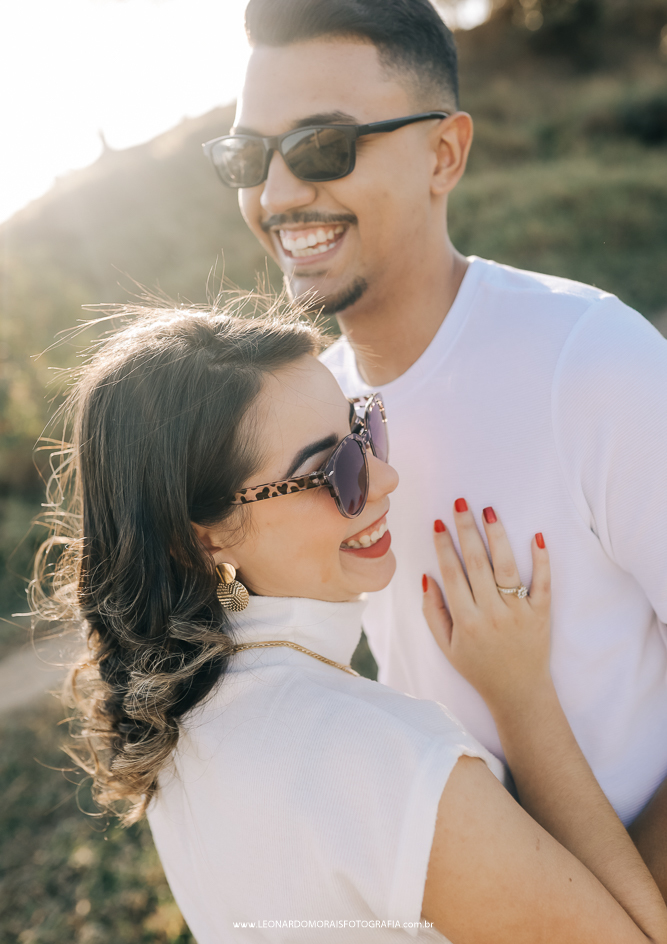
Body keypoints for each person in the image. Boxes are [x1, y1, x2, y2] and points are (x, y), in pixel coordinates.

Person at [203, 0, 667, 892]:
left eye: (324, 144)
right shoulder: (315, 414)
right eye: (249, 158)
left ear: (444, 156)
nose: (279, 194)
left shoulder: (591, 361)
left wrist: (636, 912)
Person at [31, 301, 667, 942]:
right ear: (205, 540)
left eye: (364, 431)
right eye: (329, 472)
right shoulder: (387, 760)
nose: (385, 477)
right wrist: (523, 699)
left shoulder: (173, 729)